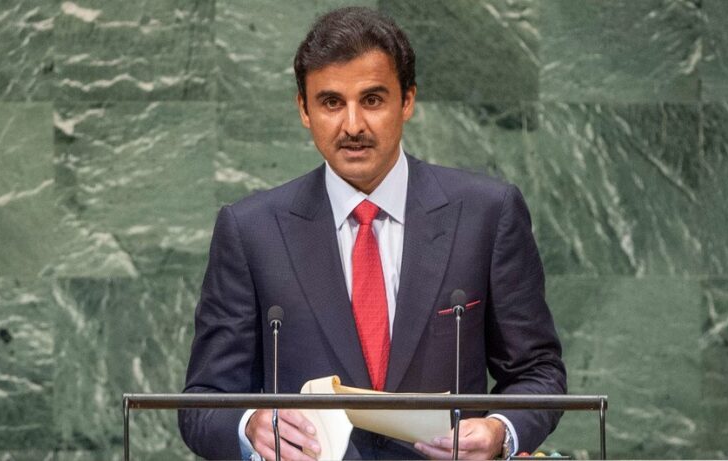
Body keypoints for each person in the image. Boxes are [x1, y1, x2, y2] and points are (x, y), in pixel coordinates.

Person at [178, 7, 565, 460]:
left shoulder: (486, 214)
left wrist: (501, 431)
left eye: (373, 100)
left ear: (407, 101)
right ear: (304, 109)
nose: (353, 125)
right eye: (331, 103)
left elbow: (538, 371)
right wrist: (251, 426)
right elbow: (204, 401)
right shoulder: (251, 231)